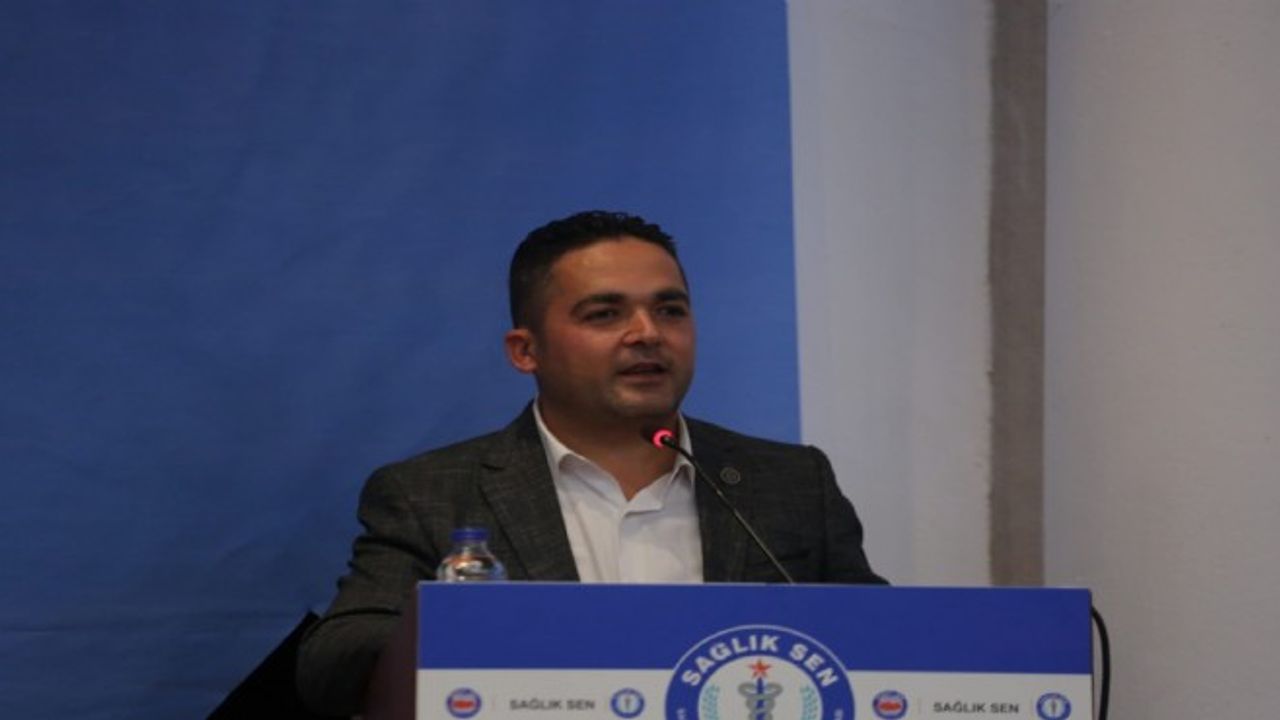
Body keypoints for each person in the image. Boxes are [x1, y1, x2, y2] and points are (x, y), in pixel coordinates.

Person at [296, 210, 885, 715]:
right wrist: (473, 628)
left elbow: (883, 642)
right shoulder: (431, 492)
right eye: (605, 314)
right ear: (525, 351)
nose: (647, 333)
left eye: (670, 310)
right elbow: (334, 662)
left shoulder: (789, 483)